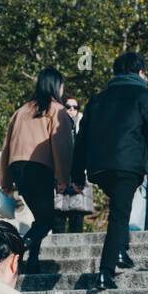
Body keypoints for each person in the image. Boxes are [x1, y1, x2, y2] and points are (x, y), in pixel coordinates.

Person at [72, 51, 148, 291]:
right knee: (119, 214)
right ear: (139, 72)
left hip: (99, 166)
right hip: (128, 165)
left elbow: (81, 137)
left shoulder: (97, 99)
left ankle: (121, 251)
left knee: (119, 207)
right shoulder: (145, 97)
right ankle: (105, 272)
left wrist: (76, 174)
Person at [0, 67, 76, 273]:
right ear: (56, 85)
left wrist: (5, 181)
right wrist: (63, 178)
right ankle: (20, 248)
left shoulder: (21, 111)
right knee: (47, 219)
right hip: (40, 169)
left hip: (18, 169)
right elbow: (62, 146)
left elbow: (6, 147)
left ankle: (32, 260)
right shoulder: (56, 110)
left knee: (41, 216)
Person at [53, 97, 94, 234]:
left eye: (75, 107)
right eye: (68, 106)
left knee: (76, 224)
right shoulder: (55, 126)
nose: (71, 109)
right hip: (59, 179)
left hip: (78, 178)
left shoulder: (83, 127)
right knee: (58, 223)